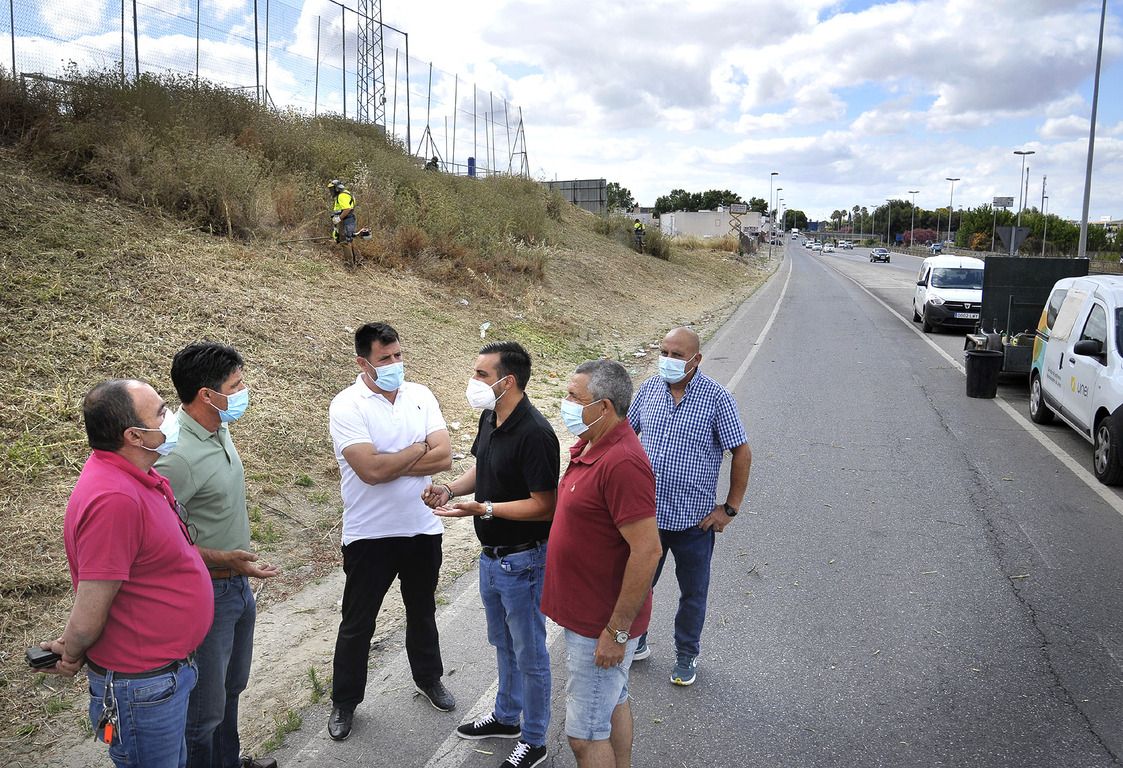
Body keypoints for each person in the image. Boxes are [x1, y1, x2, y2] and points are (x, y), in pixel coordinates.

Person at [39, 379, 213, 768]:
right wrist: (72, 648)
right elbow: (91, 604)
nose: (172, 419)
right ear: (134, 435)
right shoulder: (114, 499)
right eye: (162, 412)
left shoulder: (132, 477)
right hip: (143, 687)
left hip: (162, 676)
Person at [423, 341, 560, 768]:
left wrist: (485, 508)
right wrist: (450, 488)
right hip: (491, 557)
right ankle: (506, 716)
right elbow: (483, 468)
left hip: (524, 560)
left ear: (508, 381)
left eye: (482, 374)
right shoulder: (490, 416)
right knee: (503, 643)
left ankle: (534, 739)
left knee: (531, 652)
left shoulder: (536, 433)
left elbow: (545, 505)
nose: (474, 382)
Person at [327, 322, 456, 742]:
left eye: (399, 355)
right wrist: (419, 449)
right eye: (385, 359)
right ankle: (344, 702)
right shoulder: (347, 405)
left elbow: (444, 457)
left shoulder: (421, 395)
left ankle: (429, 678)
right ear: (363, 362)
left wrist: (396, 460)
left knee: (422, 612)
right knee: (358, 624)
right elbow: (369, 470)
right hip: (370, 535)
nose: (396, 364)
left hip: (422, 528)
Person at [154, 343, 280, 768]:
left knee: (231, 690)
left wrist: (236, 563)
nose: (244, 392)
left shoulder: (217, 428)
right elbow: (158, 543)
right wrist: (224, 558)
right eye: (236, 385)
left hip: (237, 583)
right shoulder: (178, 458)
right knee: (203, 711)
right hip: (206, 592)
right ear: (207, 395)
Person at [540, 360, 662, 768]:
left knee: (583, 736)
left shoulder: (623, 462)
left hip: (600, 627)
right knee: (612, 704)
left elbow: (647, 551)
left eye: (575, 398)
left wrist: (617, 631)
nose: (566, 404)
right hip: (589, 619)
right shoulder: (592, 444)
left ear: (604, 407)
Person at [627, 326, 751, 686]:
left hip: (694, 523)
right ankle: (638, 639)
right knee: (639, 584)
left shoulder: (717, 398)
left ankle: (686, 655)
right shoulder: (649, 390)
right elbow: (626, 437)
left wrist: (729, 508)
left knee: (692, 593)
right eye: (663, 352)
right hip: (647, 517)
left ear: (696, 359)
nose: (667, 361)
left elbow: (741, 451)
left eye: (676, 355)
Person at [328, 179, 358, 269]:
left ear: (337, 188)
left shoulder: (342, 196)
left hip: (346, 220)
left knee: (345, 241)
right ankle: (355, 261)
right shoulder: (347, 193)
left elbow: (347, 209)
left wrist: (339, 218)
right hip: (349, 220)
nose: (331, 191)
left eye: (332, 189)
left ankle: (349, 265)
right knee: (349, 240)